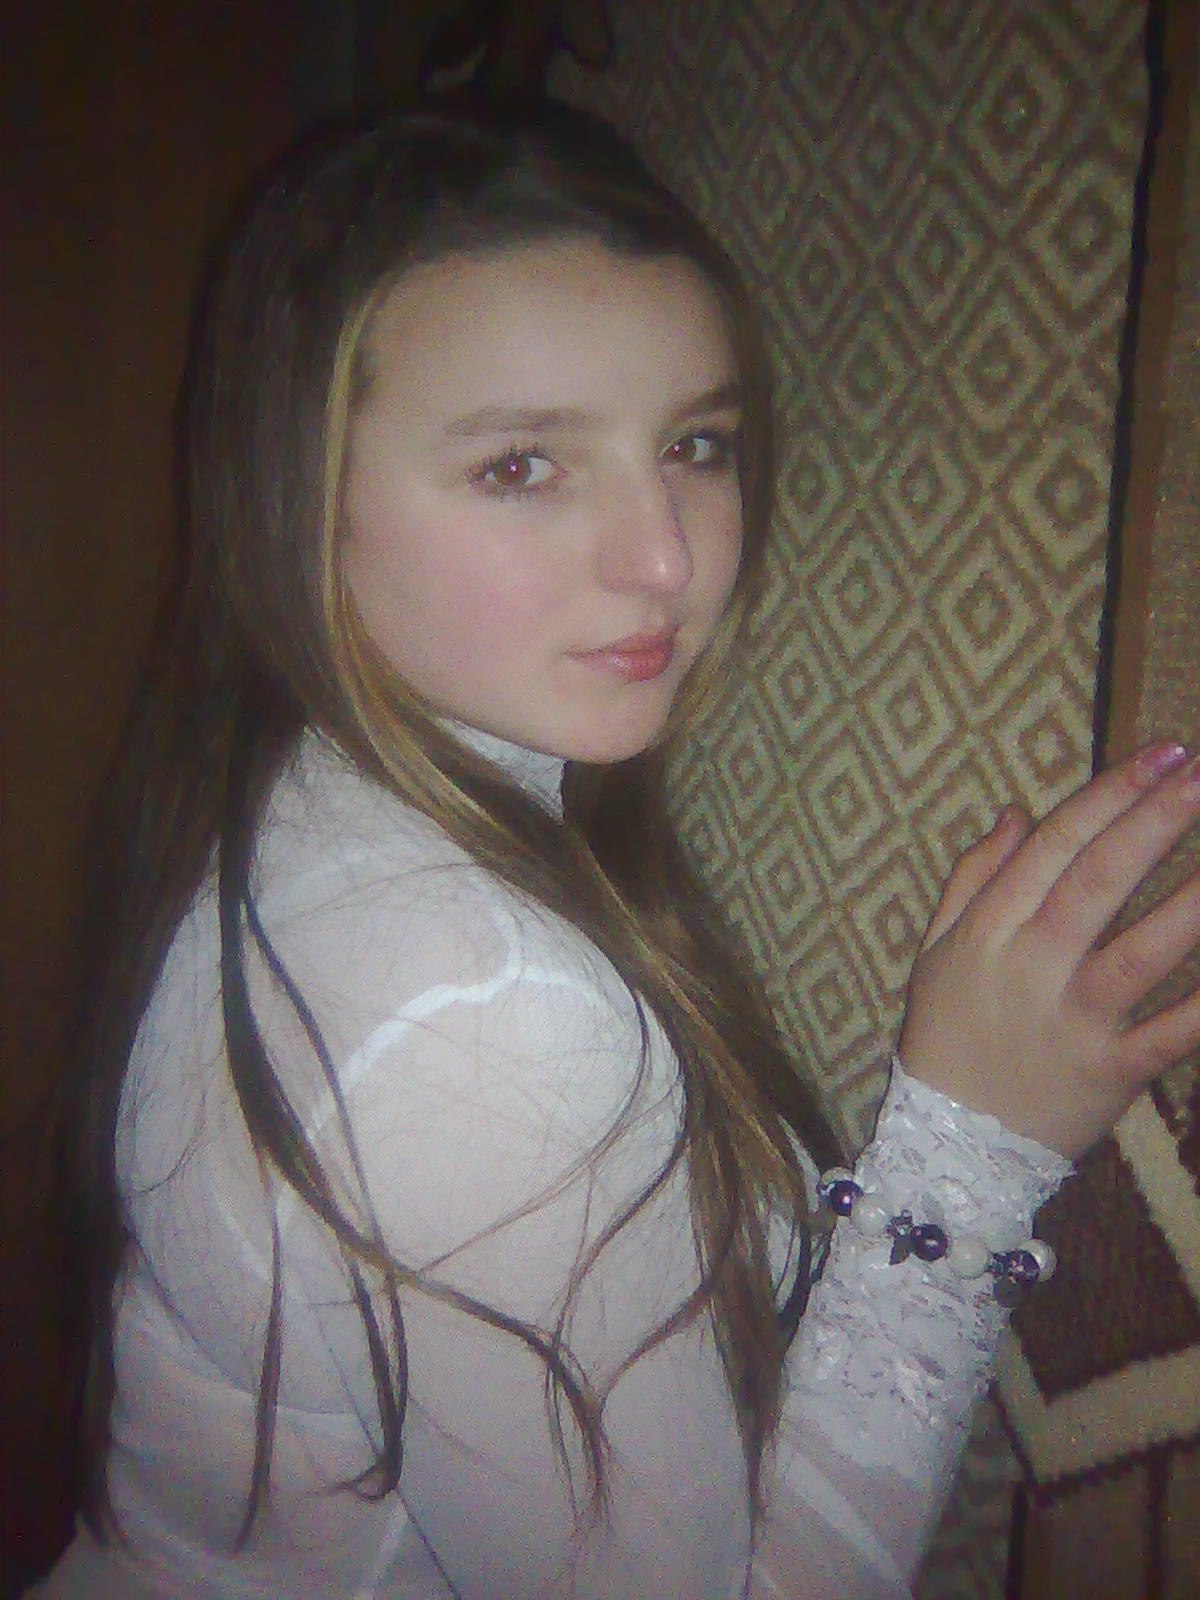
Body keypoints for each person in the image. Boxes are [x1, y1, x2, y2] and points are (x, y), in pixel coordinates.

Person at [34, 102, 1200, 1600]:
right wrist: (970, 1148)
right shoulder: (467, 1006)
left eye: (695, 446)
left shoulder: (304, 790)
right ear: (298, 502)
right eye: (524, 465)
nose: (667, 556)